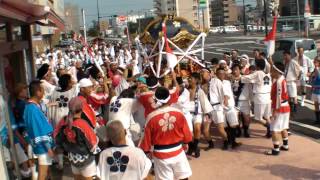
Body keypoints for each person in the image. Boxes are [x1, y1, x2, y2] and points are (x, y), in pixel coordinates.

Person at [140, 87, 193, 180]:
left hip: (160, 154)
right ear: (169, 98)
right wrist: (185, 143)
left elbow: (146, 141)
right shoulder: (179, 113)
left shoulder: (151, 117)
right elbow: (187, 135)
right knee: (183, 177)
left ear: (155, 99)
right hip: (178, 151)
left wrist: (147, 152)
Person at [54, 97, 99, 180]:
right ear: (82, 109)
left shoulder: (63, 121)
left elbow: (56, 136)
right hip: (86, 160)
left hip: (72, 158)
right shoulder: (83, 124)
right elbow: (93, 145)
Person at [23, 80, 55, 180]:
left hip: (38, 144)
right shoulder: (33, 109)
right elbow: (39, 131)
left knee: (45, 172)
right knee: (42, 174)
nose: (44, 92)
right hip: (42, 146)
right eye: (42, 90)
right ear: (38, 92)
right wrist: (48, 148)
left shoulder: (30, 107)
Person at [241, 59, 272, 138]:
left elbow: (248, 78)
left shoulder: (258, 73)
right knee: (267, 116)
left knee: (258, 118)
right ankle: (269, 132)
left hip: (260, 97)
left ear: (257, 66)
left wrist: (239, 77)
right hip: (268, 97)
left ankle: (271, 128)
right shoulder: (267, 74)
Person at [266, 62, 290, 155]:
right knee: (284, 127)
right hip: (285, 107)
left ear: (277, 71)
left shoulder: (279, 82)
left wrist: (274, 112)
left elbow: (278, 99)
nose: (271, 72)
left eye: (273, 70)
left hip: (279, 108)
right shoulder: (282, 79)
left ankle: (276, 149)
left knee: (275, 129)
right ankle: (285, 145)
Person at [187, 72, 213, 157]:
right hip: (187, 113)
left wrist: (207, 113)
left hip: (197, 113)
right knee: (189, 132)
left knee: (197, 129)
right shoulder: (186, 90)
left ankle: (195, 146)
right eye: (189, 78)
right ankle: (192, 147)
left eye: (191, 78)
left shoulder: (200, 91)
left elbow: (204, 103)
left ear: (197, 80)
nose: (189, 79)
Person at [209, 68, 230, 150]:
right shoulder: (213, 80)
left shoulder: (219, 82)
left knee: (220, 128)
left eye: (223, 73)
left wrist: (225, 101)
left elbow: (224, 94)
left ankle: (226, 141)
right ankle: (211, 143)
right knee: (210, 127)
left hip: (217, 108)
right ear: (216, 74)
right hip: (210, 107)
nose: (222, 75)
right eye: (220, 73)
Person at [231, 65, 252, 137]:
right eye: (233, 70)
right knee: (235, 118)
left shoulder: (245, 78)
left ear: (240, 70)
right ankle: (238, 130)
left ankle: (246, 130)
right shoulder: (230, 79)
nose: (235, 71)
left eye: (236, 69)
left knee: (246, 119)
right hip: (234, 101)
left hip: (244, 100)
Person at [283, 50, 301, 116]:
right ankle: (291, 109)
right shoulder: (285, 62)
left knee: (294, 96)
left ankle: (295, 110)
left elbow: (299, 70)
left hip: (292, 81)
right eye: (284, 55)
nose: (284, 57)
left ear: (289, 55)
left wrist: (297, 79)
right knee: (289, 97)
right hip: (286, 81)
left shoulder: (293, 62)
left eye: (285, 55)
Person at [311, 56, 320, 124]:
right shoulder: (315, 69)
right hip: (315, 90)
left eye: (315, 62)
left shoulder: (317, 69)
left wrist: (317, 70)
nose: (314, 63)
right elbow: (313, 78)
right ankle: (317, 120)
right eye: (314, 61)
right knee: (316, 105)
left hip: (319, 90)